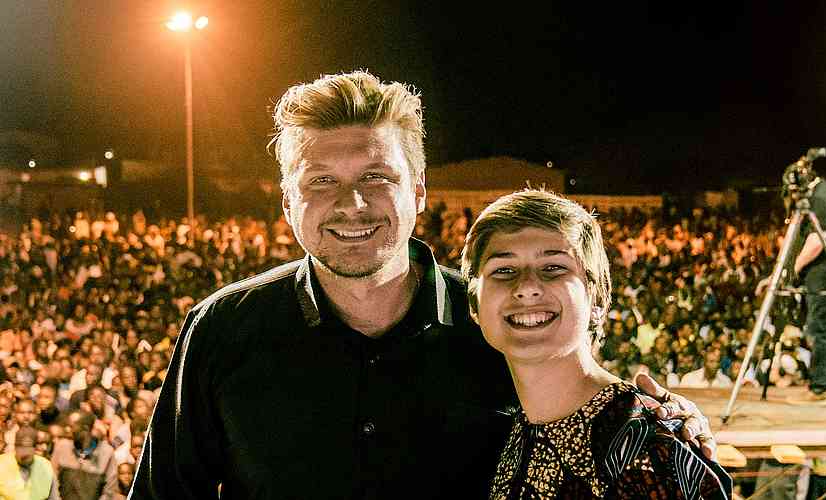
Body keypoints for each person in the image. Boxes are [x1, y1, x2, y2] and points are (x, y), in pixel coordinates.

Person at [129, 70, 718, 499]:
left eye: (376, 177)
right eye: (322, 181)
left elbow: (590, 414)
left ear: (418, 192)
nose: (352, 204)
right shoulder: (224, 330)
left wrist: (667, 426)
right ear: (288, 203)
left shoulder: (497, 325)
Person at [460, 189, 729, 498]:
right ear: (474, 305)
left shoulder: (647, 445)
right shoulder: (517, 431)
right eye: (504, 270)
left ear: (597, 298)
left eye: (553, 267)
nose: (527, 287)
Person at [776, 161, 826, 406]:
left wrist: (793, 269)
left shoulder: (818, 198)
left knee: (821, 330)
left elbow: (817, 240)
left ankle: (821, 388)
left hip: (825, 275)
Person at [52, 410, 118, 500]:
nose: (67, 429)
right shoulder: (62, 447)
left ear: (86, 428)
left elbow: (109, 490)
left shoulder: (106, 452)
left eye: (71, 426)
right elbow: (53, 482)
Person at [0, 426, 61, 500]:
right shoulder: (2, 464)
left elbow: (54, 497)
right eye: (21, 447)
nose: (25, 452)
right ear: (15, 447)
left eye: (29, 447)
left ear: (35, 448)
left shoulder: (46, 466)